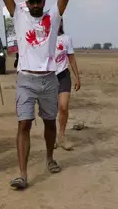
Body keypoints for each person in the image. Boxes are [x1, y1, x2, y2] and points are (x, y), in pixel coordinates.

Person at [0, 0, 77, 190]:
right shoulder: (19, 15)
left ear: (44, 3)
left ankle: (50, 157)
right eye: (31, 1)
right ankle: (23, 174)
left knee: (50, 123)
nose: (35, 4)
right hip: (26, 80)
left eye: (38, 0)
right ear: (27, 3)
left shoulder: (54, 16)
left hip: (50, 79)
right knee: (24, 124)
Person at [54, 19, 81, 151]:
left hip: (63, 75)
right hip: (48, 77)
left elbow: (71, 58)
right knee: (51, 110)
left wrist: (77, 77)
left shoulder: (66, 39)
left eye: (59, 21)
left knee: (63, 106)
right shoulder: (45, 39)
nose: (57, 24)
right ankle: (52, 136)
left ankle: (62, 136)